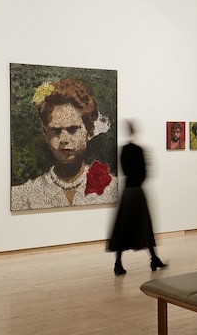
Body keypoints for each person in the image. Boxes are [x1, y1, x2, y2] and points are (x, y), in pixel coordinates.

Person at [11, 78, 118, 211]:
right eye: (55, 131)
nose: (63, 139)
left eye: (72, 129)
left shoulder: (112, 189)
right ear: (46, 133)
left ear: (89, 132)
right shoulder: (24, 196)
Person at [107, 120, 167, 276]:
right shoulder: (139, 150)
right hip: (137, 193)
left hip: (128, 192)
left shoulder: (123, 151)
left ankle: (119, 263)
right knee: (143, 226)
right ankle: (153, 259)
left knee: (124, 228)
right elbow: (145, 172)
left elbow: (125, 170)